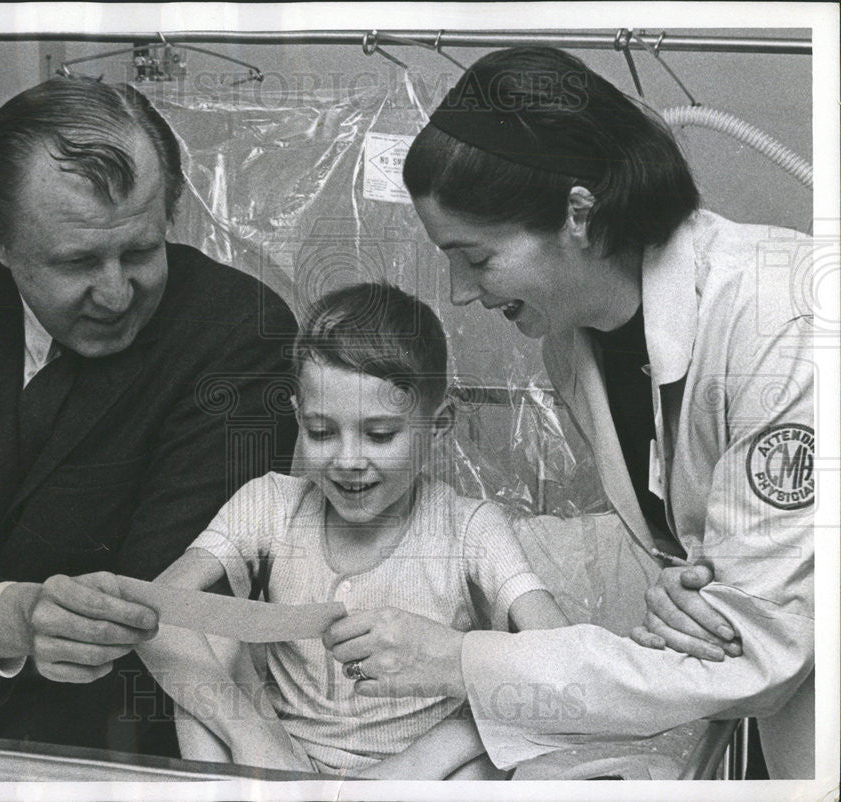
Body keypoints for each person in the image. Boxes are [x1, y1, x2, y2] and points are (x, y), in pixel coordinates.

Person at [322, 47, 814, 778]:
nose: (459, 292)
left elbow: (756, 648)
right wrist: (693, 580)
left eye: (477, 258)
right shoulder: (572, 346)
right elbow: (709, 574)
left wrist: (459, 659)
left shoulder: (783, 319)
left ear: (579, 214)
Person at [0, 76, 298, 756]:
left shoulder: (239, 333)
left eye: (141, 251)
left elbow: (168, 605)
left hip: (116, 747)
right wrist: (8, 617)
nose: (116, 292)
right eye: (77, 261)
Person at [136, 282, 571, 777]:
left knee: (497, 733)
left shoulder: (471, 528)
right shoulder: (270, 504)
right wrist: (258, 741)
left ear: (440, 422)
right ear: (298, 416)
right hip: (279, 766)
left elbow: (565, 659)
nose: (347, 461)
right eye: (321, 432)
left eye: (380, 434)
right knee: (200, 630)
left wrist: (421, 761)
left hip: (419, 776)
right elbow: (155, 612)